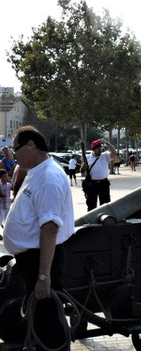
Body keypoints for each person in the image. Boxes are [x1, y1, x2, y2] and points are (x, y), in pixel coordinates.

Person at [3, 126, 74, 349]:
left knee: (49, 323)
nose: (14, 155)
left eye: (16, 150)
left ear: (31, 145)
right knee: (41, 321)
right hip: (32, 259)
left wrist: (44, 276)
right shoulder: (38, 171)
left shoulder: (48, 177)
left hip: (40, 260)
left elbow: (50, 228)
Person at [84, 139, 117, 211]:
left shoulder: (105, 155)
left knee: (105, 204)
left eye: (101, 148)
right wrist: (84, 167)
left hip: (103, 183)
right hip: (92, 184)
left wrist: (107, 143)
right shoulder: (87, 157)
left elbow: (114, 153)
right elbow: (82, 171)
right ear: (93, 149)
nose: (100, 150)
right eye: (98, 148)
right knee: (91, 205)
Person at [0, 169, 12, 240]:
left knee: (7, 221)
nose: (6, 178)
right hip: (1, 206)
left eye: (6, 176)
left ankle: (7, 234)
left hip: (7, 205)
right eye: (4, 176)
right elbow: (3, 194)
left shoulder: (8, 185)